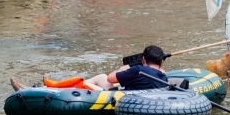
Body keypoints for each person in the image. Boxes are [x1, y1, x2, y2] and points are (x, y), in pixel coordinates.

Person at [10, 45, 169, 92]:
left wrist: (130, 66)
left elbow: (111, 78)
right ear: (161, 62)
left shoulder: (138, 70)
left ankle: (39, 90)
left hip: (123, 99)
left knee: (93, 83)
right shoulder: (164, 77)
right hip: (137, 95)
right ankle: (46, 87)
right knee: (99, 76)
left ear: (143, 60)